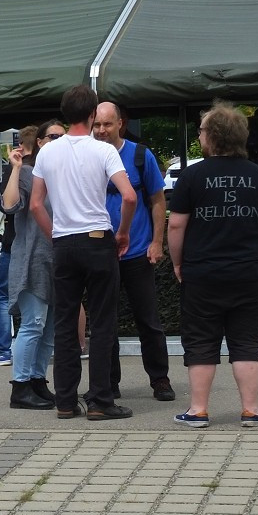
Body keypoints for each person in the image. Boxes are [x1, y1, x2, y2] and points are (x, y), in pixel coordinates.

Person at [167, 103, 258, 428]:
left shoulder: (191, 176)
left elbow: (176, 226)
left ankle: (198, 410)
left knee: (201, 339)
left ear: (212, 136)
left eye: (202, 130)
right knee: (246, 340)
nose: (200, 135)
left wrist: (178, 263)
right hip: (247, 272)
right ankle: (251, 410)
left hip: (202, 272)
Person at [30, 85, 136, 421]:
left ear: (65, 114)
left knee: (64, 322)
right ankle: (101, 400)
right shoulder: (103, 150)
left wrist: (55, 236)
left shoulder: (47, 152)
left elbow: (35, 204)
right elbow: (130, 197)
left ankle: (64, 400)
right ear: (93, 115)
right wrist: (122, 233)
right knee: (102, 322)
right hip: (97, 239)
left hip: (64, 243)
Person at [91, 102, 175, 402]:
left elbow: (157, 200)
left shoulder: (140, 156)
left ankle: (160, 379)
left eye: (107, 125)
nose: (101, 131)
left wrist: (157, 242)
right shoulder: (88, 156)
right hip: (100, 252)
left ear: (120, 124)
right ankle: (108, 384)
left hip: (137, 252)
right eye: (97, 125)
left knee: (149, 321)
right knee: (104, 323)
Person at [2, 120, 65, 408]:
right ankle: (20, 386)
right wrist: (15, 168)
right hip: (31, 259)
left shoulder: (63, 174)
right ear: (39, 142)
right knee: (34, 323)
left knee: (49, 328)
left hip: (56, 260)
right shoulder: (28, 173)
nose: (58, 141)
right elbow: (9, 205)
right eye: (52, 136)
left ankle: (38, 380)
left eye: (63, 137)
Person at [0, 125, 37, 366]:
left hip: (15, 242)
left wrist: (14, 168)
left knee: (2, 294)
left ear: (20, 145)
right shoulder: (48, 170)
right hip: (43, 243)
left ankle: (3, 348)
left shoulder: (17, 171)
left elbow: (7, 206)